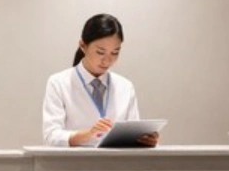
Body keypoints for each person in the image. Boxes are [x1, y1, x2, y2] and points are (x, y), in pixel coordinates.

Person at [42, 14, 159, 147]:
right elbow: (51, 137)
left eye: (115, 52)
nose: (108, 60)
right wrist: (88, 134)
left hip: (117, 165)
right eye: (100, 52)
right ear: (82, 45)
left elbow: (131, 135)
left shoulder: (125, 87)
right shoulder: (58, 83)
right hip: (74, 165)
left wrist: (143, 140)